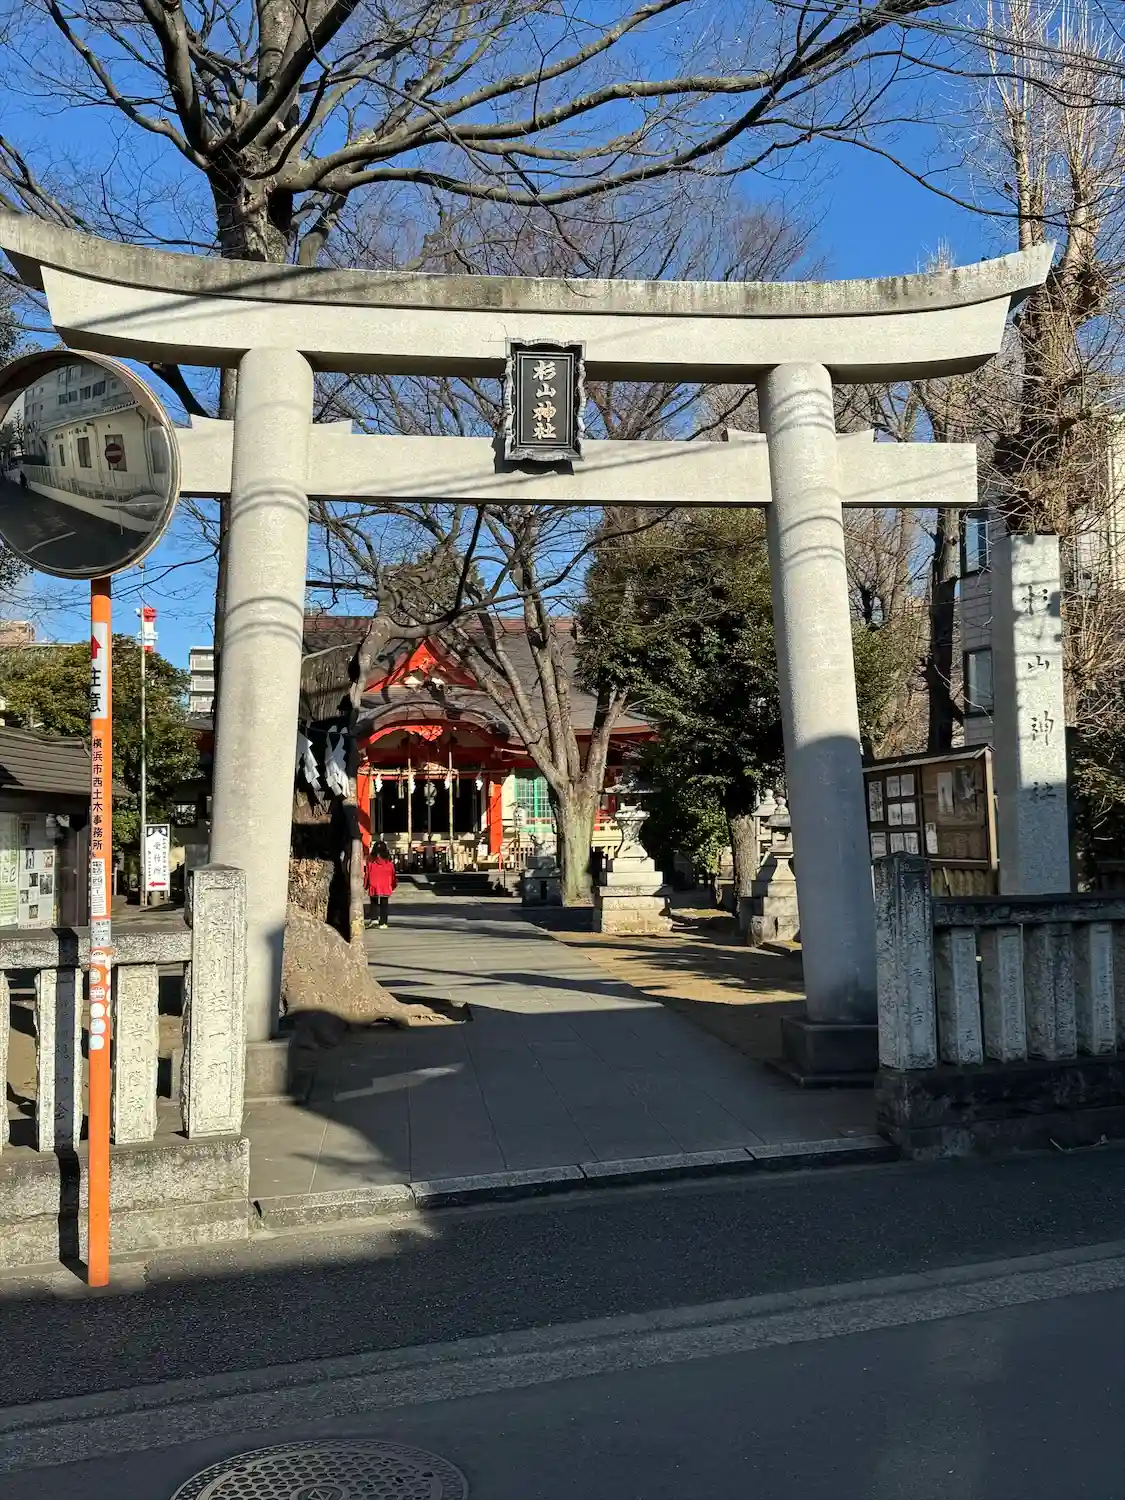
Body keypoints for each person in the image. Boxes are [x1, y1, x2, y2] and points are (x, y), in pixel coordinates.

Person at [366, 840, 397, 928]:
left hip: (374, 885)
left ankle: (374, 919)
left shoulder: (370, 861)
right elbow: (393, 874)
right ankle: (383, 923)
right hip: (385, 885)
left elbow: (367, 874)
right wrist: (393, 885)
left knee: (374, 902)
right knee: (384, 904)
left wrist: (366, 885)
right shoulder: (389, 862)